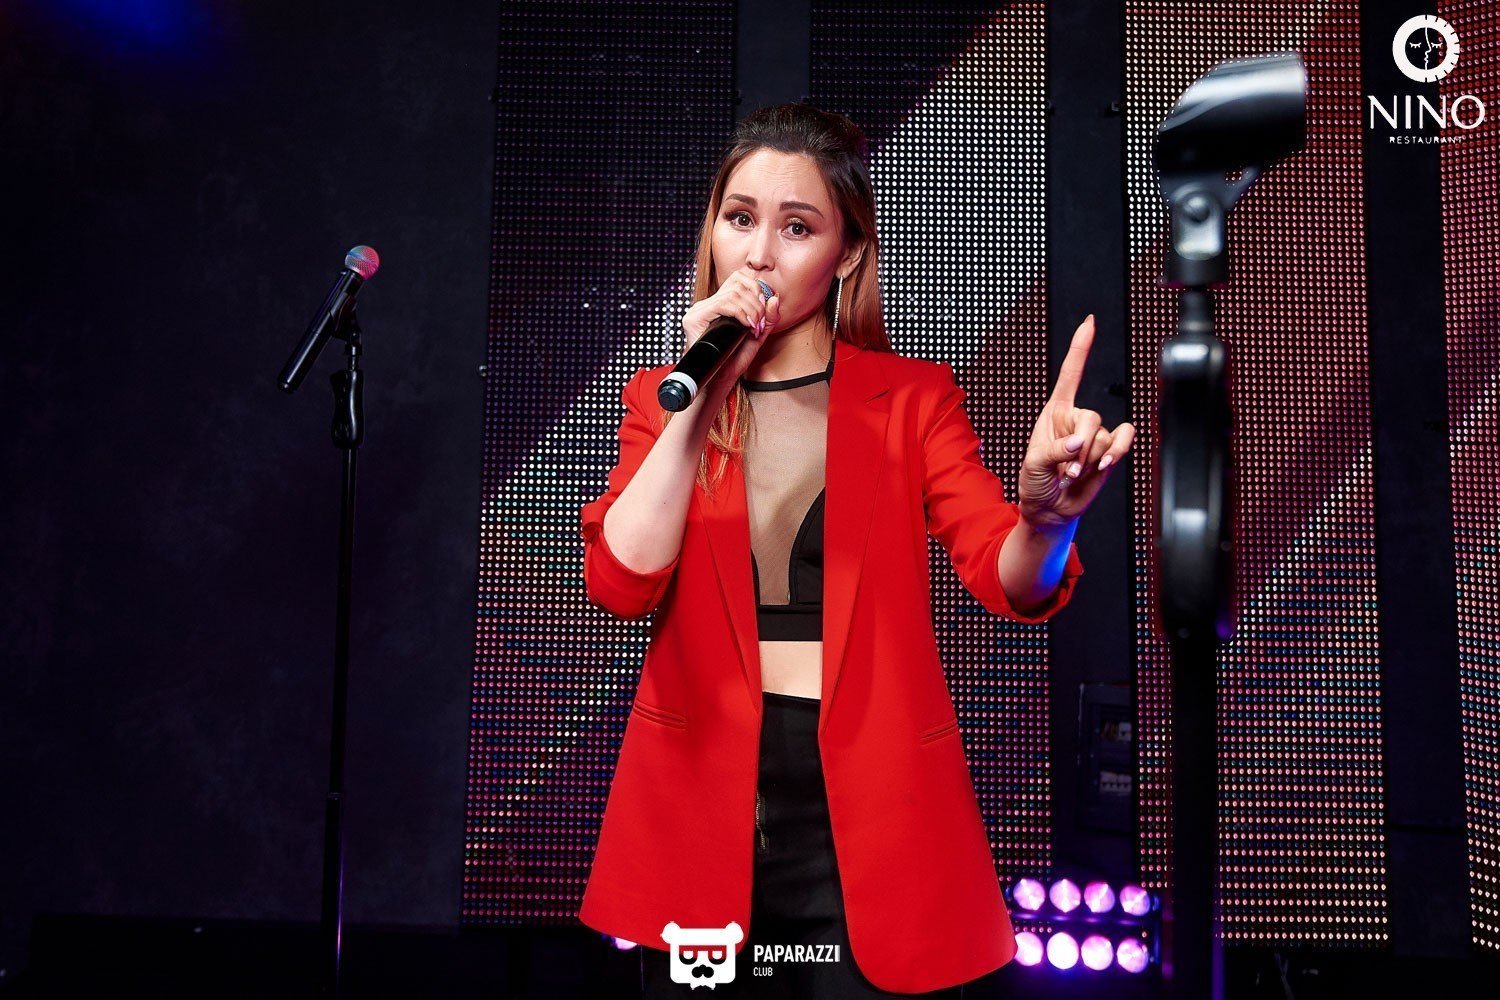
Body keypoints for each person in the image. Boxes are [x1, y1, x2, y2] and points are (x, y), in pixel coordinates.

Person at [576, 103, 1134, 998]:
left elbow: (1009, 578)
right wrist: (699, 400)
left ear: (845, 254)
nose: (759, 254)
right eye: (740, 218)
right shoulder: (662, 399)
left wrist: (1046, 522)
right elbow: (622, 581)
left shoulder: (911, 401)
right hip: (700, 804)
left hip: (867, 814)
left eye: (797, 228)